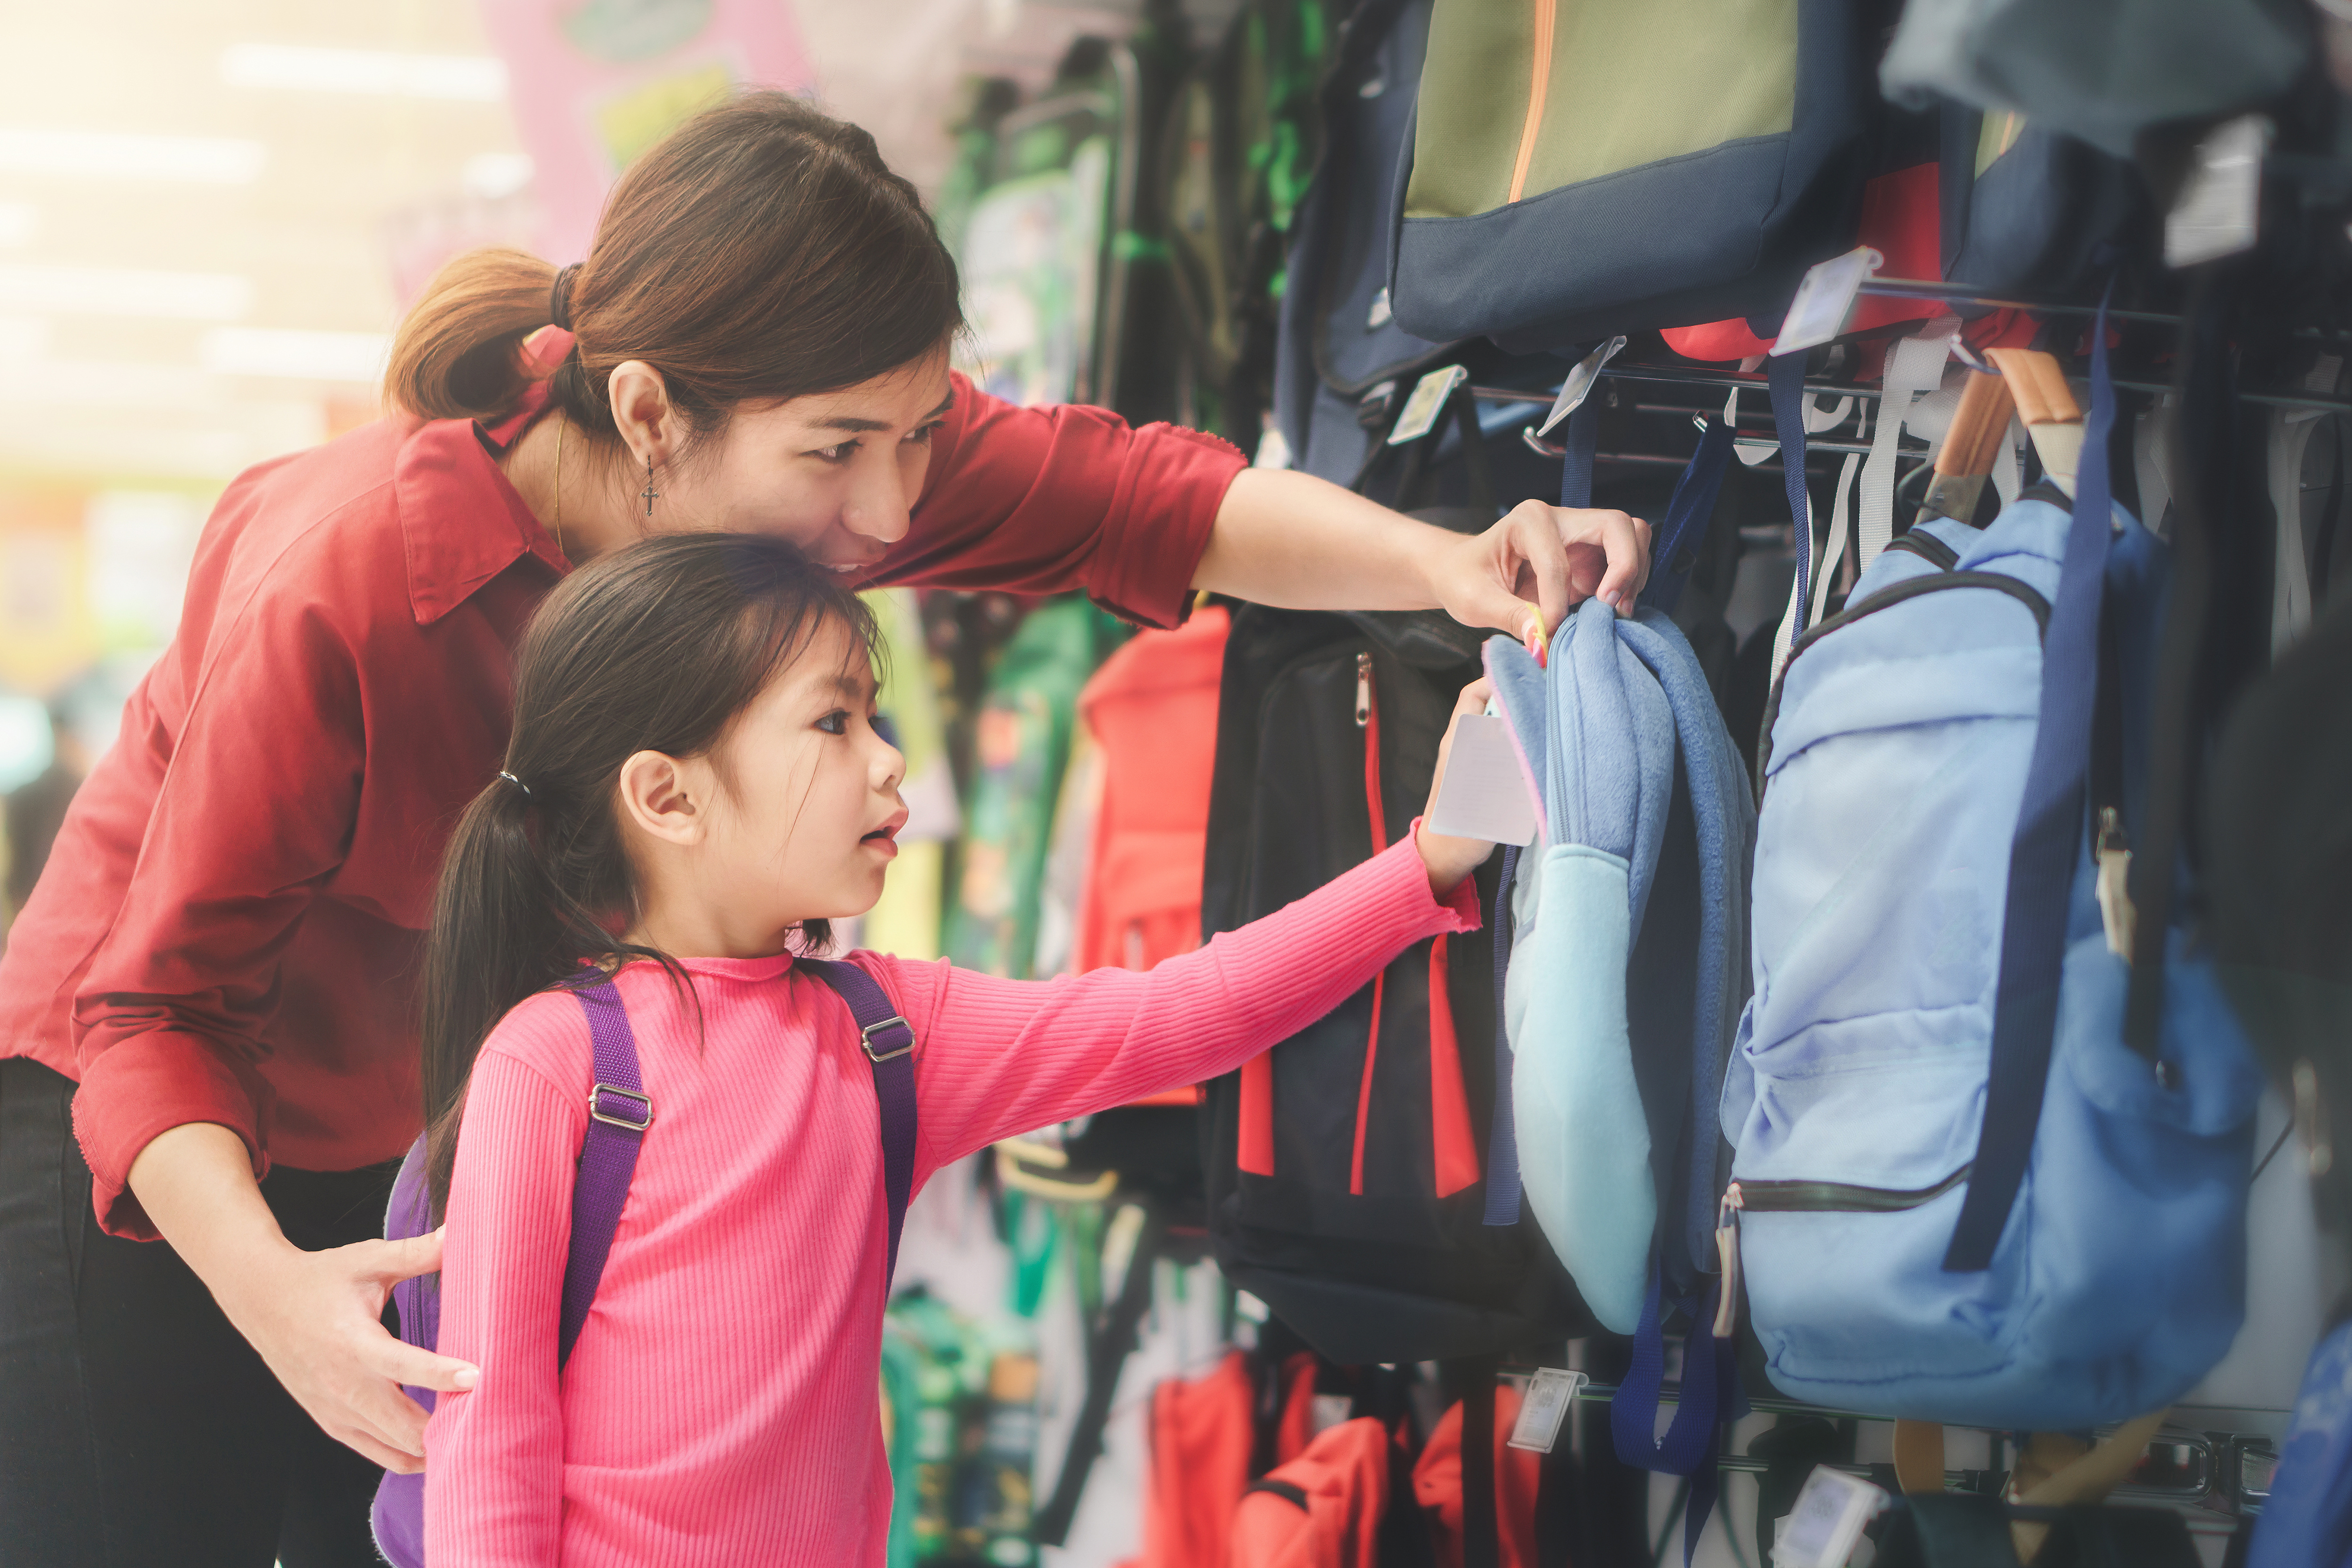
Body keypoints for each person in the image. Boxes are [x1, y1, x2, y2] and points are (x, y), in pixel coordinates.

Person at [0, 92, 1644, 1567]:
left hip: (428, 1126)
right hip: (151, 1138)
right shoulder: (352, 576)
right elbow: (150, 1010)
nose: (885, 513)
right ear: (649, 415)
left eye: (916, 436)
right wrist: (277, 1290)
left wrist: (1447, 566)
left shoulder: (826, 470)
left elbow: (1145, 500)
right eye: (841, 454)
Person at [415, 532, 1496, 1564]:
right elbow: (489, 1447)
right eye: (834, 722)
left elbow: (1181, 1012)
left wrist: (1429, 859)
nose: (893, 763)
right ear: (668, 796)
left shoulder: (885, 1033)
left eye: (876, 715)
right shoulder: (552, 1062)